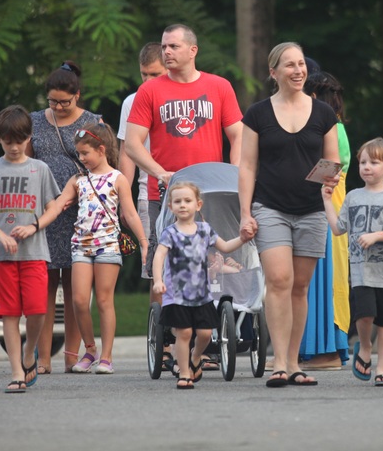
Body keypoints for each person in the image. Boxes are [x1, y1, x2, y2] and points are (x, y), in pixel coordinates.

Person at [239, 42, 340, 388]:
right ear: (274, 72)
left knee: (300, 287)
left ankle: (295, 363)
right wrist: (244, 213)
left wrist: (332, 176)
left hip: (311, 210)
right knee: (279, 281)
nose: (298, 71)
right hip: (269, 207)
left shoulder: (325, 114)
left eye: (301, 65)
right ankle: (279, 361)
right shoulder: (257, 114)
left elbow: (333, 160)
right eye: (289, 65)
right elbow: (247, 165)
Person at [125, 24, 243, 289]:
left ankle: (215, 322)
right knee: (164, 267)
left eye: (173, 46)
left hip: (209, 193)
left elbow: (239, 136)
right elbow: (133, 145)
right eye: (164, 46)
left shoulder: (219, 87)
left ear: (193, 51)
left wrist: (234, 172)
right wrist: (159, 172)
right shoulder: (150, 90)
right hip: (166, 193)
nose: (166, 51)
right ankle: (167, 324)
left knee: (217, 263)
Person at [37, 122, 148, 375]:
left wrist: (143, 242)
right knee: (77, 301)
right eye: (79, 153)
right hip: (81, 246)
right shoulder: (77, 180)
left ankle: (107, 356)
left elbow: (129, 214)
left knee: (104, 300)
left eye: (85, 153)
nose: (81, 158)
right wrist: (36, 225)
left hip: (108, 246)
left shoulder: (117, 178)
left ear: (101, 149)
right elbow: (57, 205)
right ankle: (90, 350)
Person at [0, 105, 63, 393]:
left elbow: (54, 206)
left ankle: (29, 351)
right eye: (8, 141)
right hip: (2, 256)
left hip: (34, 253)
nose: (13, 146)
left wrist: (34, 226)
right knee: (9, 314)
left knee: (36, 311)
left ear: (29, 138)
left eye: (19, 141)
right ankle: (15, 372)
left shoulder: (40, 169)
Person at [28, 61, 102, 374]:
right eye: (53, 101)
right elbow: (27, 161)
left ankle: (72, 356)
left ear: (77, 96)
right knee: (44, 284)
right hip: (44, 211)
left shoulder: (94, 122)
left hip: (81, 212)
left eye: (65, 102)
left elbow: (102, 165)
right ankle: (43, 358)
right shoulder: (33, 121)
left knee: (75, 288)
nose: (58, 107)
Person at [322, 138, 383, 387]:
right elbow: (338, 228)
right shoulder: (352, 197)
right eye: (363, 162)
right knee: (364, 317)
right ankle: (364, 347)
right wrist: (327, 200)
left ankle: (382, 368)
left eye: (373, 162)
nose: (366, 167)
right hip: (362, 274)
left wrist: (376, 236)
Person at [152, 182, 246, 389]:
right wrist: (158, 280)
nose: (183, 205)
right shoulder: (170, 233)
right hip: (177, 294)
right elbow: (159, 256)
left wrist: (242, 238)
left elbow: (225, 246)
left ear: (198, 205)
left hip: (201, 294)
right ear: (170, 207)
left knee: (204, 334)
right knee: (184, 333)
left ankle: (196, 358)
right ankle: (184, 372)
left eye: (187, 201)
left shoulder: (205, 230)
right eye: (177, 202)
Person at [300, 71, 351, 370]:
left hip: (325, 206)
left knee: (326, 279)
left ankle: (328, 349)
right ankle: (311, 348)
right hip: (325, 204)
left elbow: (328, 170)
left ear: (315, 97)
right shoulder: (334, 125)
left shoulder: (330, 127)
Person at [117, 42, 167, 243]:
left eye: (155, 74)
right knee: (153, 260)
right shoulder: (132, 102)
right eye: (144, 74)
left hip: (187, 190)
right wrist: (124, 200)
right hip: (148, 193)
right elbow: (126, 154)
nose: (147, 81)